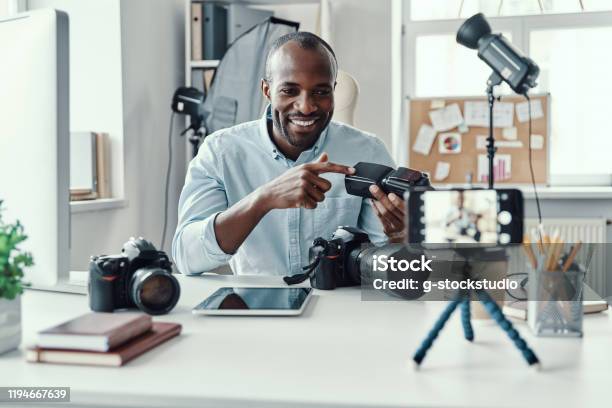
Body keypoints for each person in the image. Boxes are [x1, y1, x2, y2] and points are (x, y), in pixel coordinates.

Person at [172, 32, 405, 276]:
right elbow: (187, 258)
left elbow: (395, 273)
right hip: (256, 307)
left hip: (341, 307)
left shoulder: (368, 151)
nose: (306, 106)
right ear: (267, 90)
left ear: (333, 90)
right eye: (289, 90)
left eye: (321, 92)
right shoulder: (220, 152)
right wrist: (264, 199)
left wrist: (400, 238)